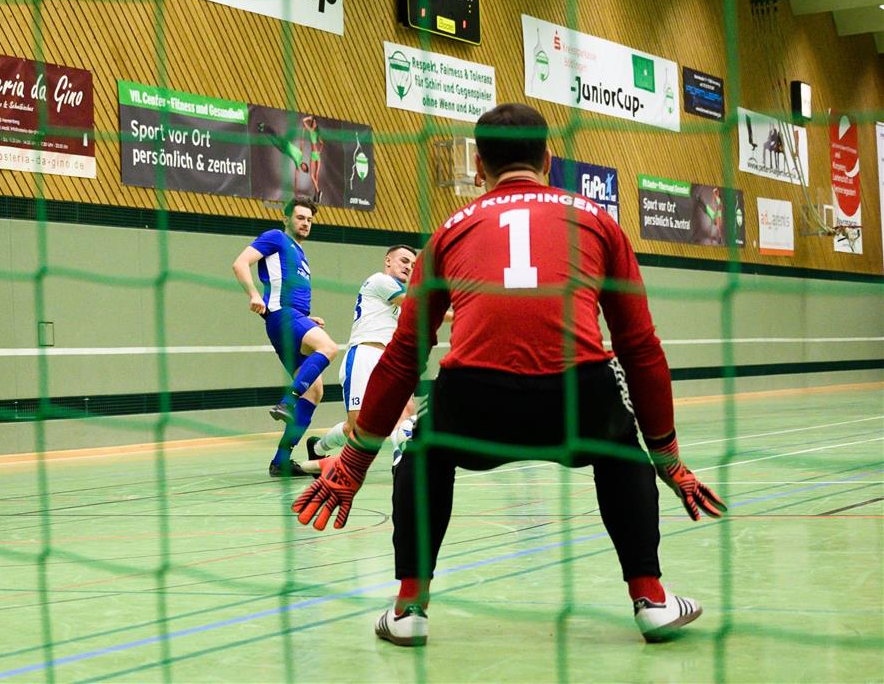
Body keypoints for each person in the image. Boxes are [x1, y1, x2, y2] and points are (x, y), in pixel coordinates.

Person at [292, 103, 726, 646]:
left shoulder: (447, 232)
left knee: (422, 451)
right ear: (548, 158)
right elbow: (639, 346)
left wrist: (355, 460)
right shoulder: (598, 220)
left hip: (477, 402)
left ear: (478, 165)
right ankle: (651, 599)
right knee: (622, 449)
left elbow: (406, 354)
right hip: (576, 402)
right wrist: (665, 454)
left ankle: (409, 610)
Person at [232, 196, 339, 478]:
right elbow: (240, 263)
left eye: (309, 220)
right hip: (281, 316)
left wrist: (308, 318)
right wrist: (254, 294)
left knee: (315, 391)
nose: (305, 223)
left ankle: (281, 461)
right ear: (286, 218)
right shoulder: (276, 238)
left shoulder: (301, 255)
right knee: (328, 346)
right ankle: (288, 402)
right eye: (300, 217)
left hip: (294, 318)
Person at [301, 245, 418, 474]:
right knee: (358, 430)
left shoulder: (400, 298)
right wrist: (460, 313)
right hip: (365, 355)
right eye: (404, 261)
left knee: (407, 411)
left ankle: (400, 461)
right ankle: (317, 448)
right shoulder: (380, 281)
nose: (408, 267)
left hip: (390, 361)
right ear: (388, 260)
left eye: (412, 265)